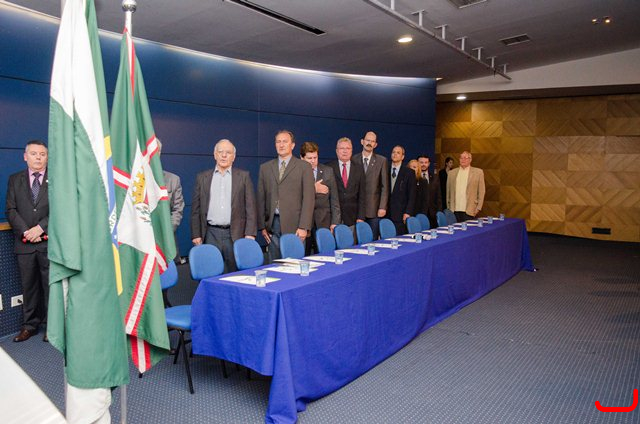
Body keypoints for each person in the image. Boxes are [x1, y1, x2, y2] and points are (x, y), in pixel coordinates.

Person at [191, 139, 257, 272]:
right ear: (215, 155)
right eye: (220, 152)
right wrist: (196, 234)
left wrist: (250, 234)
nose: (224, 155)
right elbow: (195, 209)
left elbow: (251, 208)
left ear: (234, 157)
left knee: (236, 274)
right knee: (210, 272)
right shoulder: (202, 177)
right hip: (210, 234)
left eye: (228, 152)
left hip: (235, 234)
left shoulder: (243, 177)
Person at [6, 140, 49, 342]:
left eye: (42, 154)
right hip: (24, 245)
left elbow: (61, 209)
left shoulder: (56, 180)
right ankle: (29, 325)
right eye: (33, 153)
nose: (38, 157)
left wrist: (40, 228)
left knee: (51, 288)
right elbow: (11, 210)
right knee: (28, 288)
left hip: (48, 244)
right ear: (25, 156)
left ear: (47, 157)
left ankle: (52, 327)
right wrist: (26, 232)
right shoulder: (15, 180)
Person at [257, 130, 315, 263]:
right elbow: (261, 198)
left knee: (293, 265)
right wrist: (262, 227)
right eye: (278, 142)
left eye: (285, 141)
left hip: (295, 225)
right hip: (272, 225)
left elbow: (309, 199)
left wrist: (304, 227)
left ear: (292, 145)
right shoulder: (265, 168)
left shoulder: (304, 167)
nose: (281, 144)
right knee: (274, 265)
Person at [300, 142, 341, 255]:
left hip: (324, 220)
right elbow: (294, 195)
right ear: (302, 158)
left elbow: (334, 199)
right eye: (309, 158)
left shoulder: (328, 171)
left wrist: (335, 222)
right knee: (304, 254)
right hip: (304, 222)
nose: (313, 161)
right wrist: (314, 188)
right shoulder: (296, 172)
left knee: (324, 254)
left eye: (315, 157)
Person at [352, 131, 388, 240]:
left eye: (372, 141)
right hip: (356, 209)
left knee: (372, 240)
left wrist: (382, 207)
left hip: (374, 209)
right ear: (362, 141)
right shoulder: (353, 159)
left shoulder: (382, 161)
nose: (369, 143)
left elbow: (385, 186)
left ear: (375, 145)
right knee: (357, 240)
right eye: (368, 140)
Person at [328, 137, 366, 234]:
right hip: (332, 218)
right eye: (342, 148)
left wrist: (361, 217)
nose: (345, 151)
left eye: (348, 148)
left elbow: (362, 195)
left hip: (352, 218)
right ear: (337, 151)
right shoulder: (329, 168)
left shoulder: (359, 169)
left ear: (352, 151)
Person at [157, 139, 185, 262]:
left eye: (156, 151)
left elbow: (178, 209)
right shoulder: (133, 180)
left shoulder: (173, 179)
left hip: (167, 240)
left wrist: (167, 231)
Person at [446, 151, 485, 222]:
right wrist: (449, 207)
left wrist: (478, 208)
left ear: (470, 160)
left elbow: (481, 191)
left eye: (465, 158)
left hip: (470, 210)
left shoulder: (478, 172)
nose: (463, 160)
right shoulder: (451, 173)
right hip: (454, 210)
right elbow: (448, 191)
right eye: (461, 158)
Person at [386, 146, 416, 235]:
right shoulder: (385, 169)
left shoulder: (409, 172)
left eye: (398, 153)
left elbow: (412, 195)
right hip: (386, 213)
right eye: (393, 152)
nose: (395, 154)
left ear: (403, 157)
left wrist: (408, 212)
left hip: (401, 213)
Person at [415, 155, 441, 229]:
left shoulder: (435, 177)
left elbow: (438, 196)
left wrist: (439, 212)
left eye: (426, 162)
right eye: (421, 162)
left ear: (429, 164)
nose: (423, 164)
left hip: (432, 213)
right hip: (418, 212)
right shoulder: (413, 178)